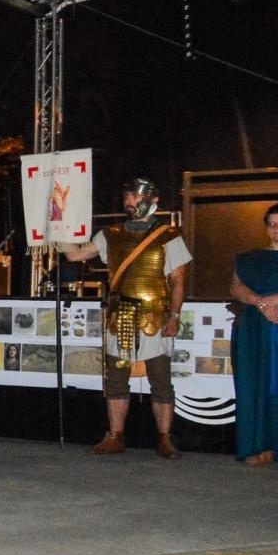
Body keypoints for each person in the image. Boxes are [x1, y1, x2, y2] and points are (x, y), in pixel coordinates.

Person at [57, 177, 190, 459]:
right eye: (127, 196)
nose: (130, 201)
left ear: (153, 202)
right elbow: (74, 254)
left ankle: (165, 439)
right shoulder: (111, 234)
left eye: (136, 197)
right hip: (120, 316)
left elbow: (178, 281)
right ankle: (116, 435)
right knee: (116, 380)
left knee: (161, 381)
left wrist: (174, 315)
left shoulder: (169, 236)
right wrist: (61, 222)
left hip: (154, 316)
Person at [229, 201, 278, 467]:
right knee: (258, 385)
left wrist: (276, 299)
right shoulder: (252, 259)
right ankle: (260, 446)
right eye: (272, 224)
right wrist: (258, 301)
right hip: (256, 333)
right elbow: (236, 288)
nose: (277, 228)